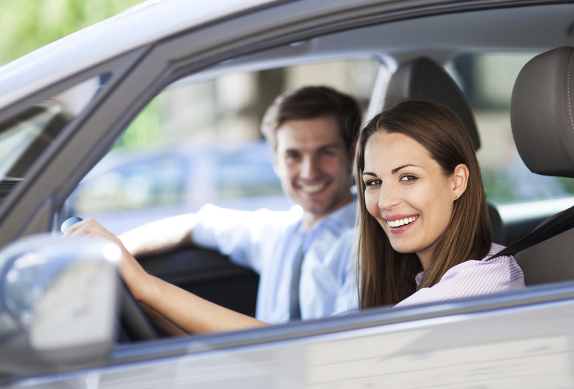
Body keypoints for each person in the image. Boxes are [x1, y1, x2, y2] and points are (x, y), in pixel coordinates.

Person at [68, 86, 363, 333]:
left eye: (325, 153)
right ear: (275, 161)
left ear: (351, 156)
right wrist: (112, 254)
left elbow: (330, 353)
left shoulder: (365, 243)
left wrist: (146, 286)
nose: (309, 171)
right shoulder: (277, 231)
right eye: (293, 156)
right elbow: (193, 225)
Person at [354, 99, 525, 309]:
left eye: (408, 177)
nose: (385, 201)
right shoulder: (420, 279)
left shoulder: (482, 282)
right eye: (373, 182)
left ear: (457, 182)